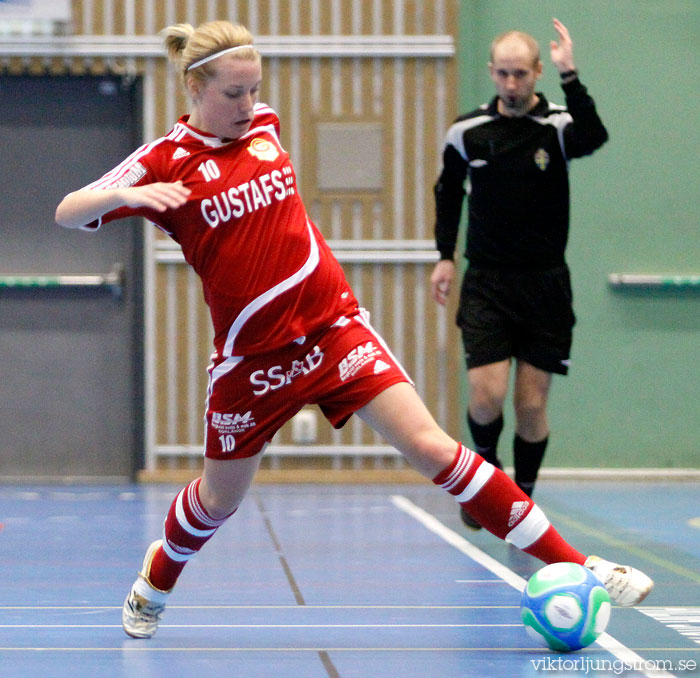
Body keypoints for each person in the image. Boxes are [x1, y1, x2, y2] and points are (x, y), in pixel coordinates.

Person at [55, 20, 650, 640]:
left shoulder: (264, 127)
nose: (248, 105)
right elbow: (68, 210)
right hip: (252, 361)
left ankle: (578, 564)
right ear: (195, 87)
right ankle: (155, 580)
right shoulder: (165, 160)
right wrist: (134, 194)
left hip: (332, 328)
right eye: (233, 93)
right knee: (216, 502)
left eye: (254, 90)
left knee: (431, 447)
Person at [430, 19, 608, 529]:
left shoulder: (557, 125)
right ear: (491, 73)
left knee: (531, 407)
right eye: (502, 75)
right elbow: (447, 193)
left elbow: (595, 136)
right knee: (485, 398)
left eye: (521, 75)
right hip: (487, 281)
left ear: (536, 73)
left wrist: (571, 75)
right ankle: (488, 477)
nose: (511, 85)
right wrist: (446, 255)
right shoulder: (467, 131)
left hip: (546, 285)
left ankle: (521, 501)